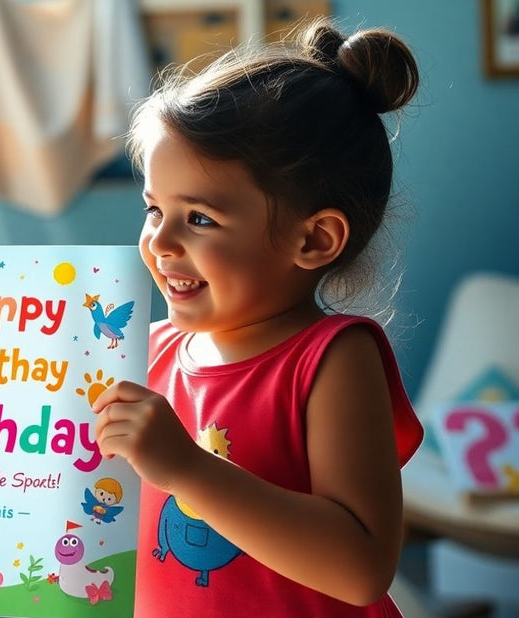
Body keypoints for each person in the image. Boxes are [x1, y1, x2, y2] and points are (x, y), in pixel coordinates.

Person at [91, 18, 425, 617]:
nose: (159, 242)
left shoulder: (333, 359)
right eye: (154, 209)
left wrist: (188, 470)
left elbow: (362, 570)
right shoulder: (141, 353)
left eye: (199, 218)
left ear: (314, 239)